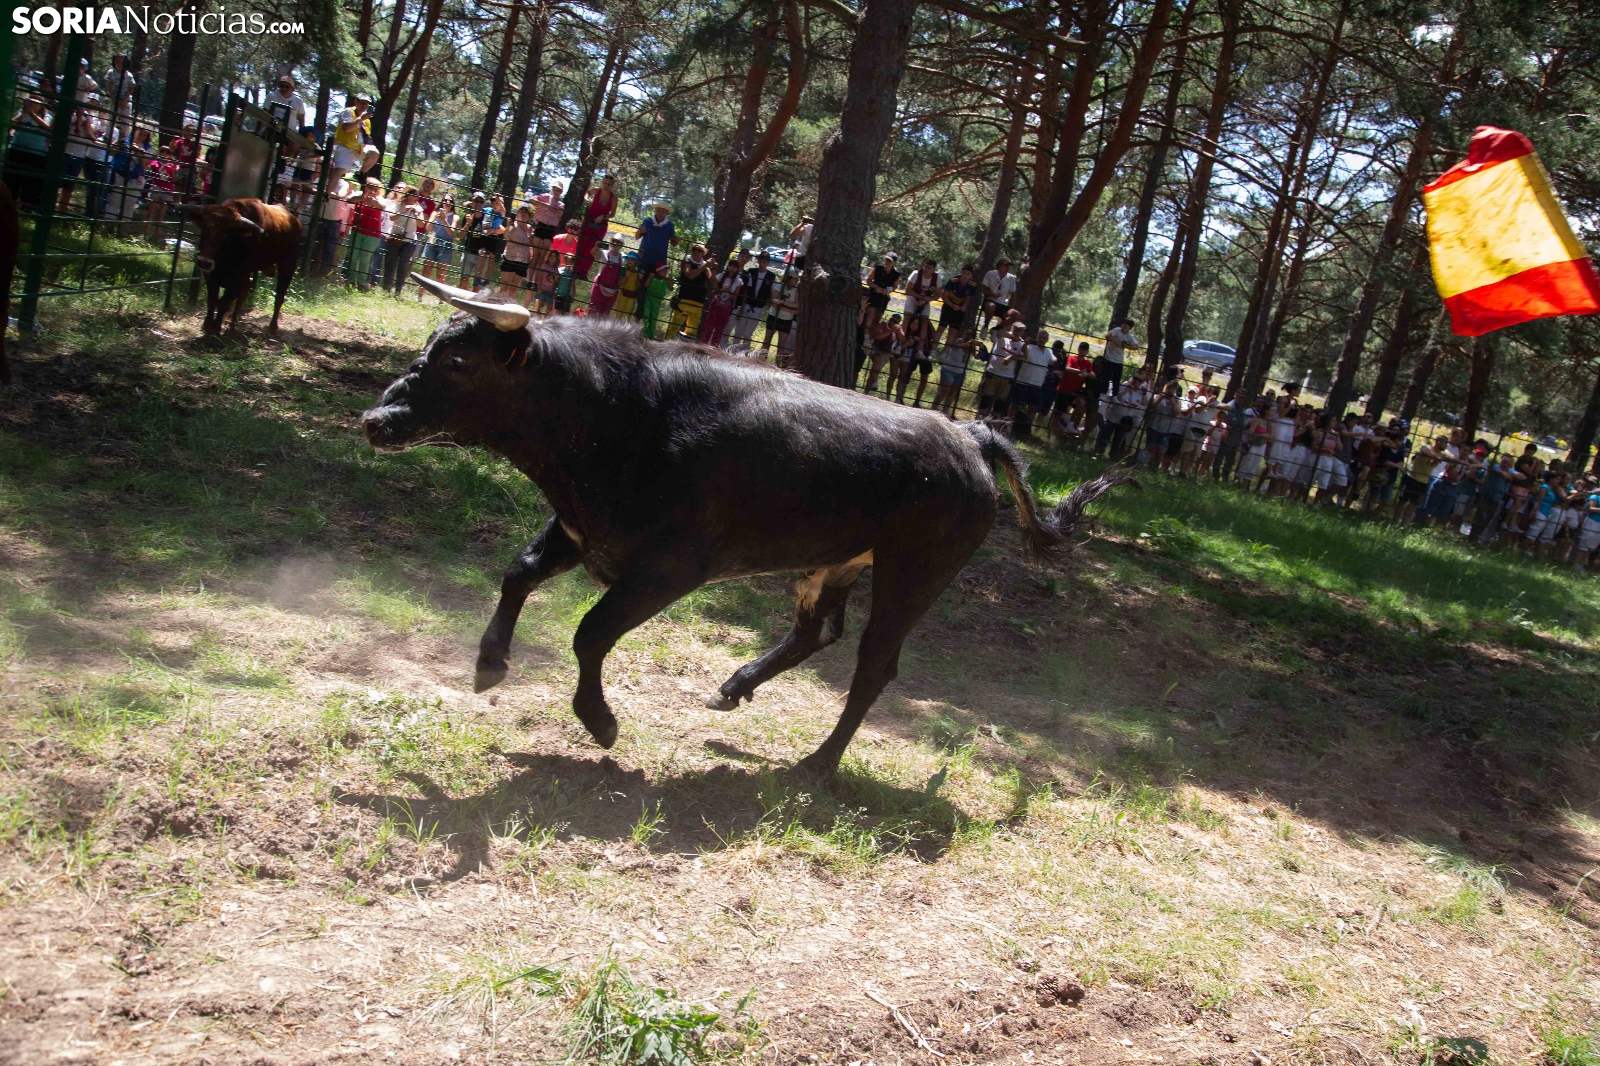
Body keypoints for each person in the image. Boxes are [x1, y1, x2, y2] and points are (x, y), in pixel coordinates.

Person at [5, 97, 53, 207]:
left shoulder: (46, 115)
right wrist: (22, 115)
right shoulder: (21, 112)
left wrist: (32, 115)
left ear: (42, 105)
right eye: (31, 101)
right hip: (16, 150)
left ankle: (27, 209)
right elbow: (11, 124)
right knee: (11, 181)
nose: (33, 104)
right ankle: (8, 206)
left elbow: (47, 127)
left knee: (31, 185)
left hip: (36, 154)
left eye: (36, 102)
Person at [731, 251, 776, 354]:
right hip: (747, 304)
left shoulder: (771, 276)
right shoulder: (751, 271)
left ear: (768, 263)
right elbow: (745, 289)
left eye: (764, 262)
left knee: (748, 333)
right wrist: (742, 305)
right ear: (758, 261)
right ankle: (733, 352)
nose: (762, 264)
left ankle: (743, 354)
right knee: (738, 331)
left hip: (758, 307)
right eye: (761, 261)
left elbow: (771, 292)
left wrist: (771, 305)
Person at [1011, 329, 1054, 437]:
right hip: (1023, 382)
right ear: (1037, 337)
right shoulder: (1030, 347)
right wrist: (1025, 344)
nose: (1042, 340)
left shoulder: (1048, 352)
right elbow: (1024, 351)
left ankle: (1026, 430)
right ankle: (1009, 426)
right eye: (1040, 337)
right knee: (1016, 405)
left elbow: (1054, 361)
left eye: (1044, 338)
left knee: (1033, 408)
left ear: (1047, 340)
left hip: (1037, 385)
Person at [574, 173, 617, 280]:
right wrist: (586, 199)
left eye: (609, 184)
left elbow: (612, 214)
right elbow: (587, 192)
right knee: (582, 246)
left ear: (612, 186)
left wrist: (603, 216)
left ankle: (583, 273)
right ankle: (575, 270)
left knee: (593, 249)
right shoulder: (596, 190)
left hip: (600, 226)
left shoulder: (613, 198)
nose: (606, 186)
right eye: (605, 183)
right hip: (588, 223)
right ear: (602, 182)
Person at [384, 186, 425, 296]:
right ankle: (386, 289)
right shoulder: (398, 205)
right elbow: (392, 218)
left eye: (417, 195)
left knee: (403, 266)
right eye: (414, 195)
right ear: (408, 195)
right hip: (394, 237)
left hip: (409, 240)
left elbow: (421, 224)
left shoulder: (419, 208)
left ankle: (398, 291)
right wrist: (404, 211)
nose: (416, 197)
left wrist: (416, 214)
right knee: (390, 263)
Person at [977, 318, 1022, 416]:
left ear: (1022, 332)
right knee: (986, 399)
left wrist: (1012, 356)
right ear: (1012, 328)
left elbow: (1024, 357)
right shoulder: (1003, 336)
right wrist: (1013, 336)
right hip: (993, 372)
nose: (1017, 332)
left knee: (999, 404)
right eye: (1016, 329)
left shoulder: (1022, 344)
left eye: (1020, 330)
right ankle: (980, 419)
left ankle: (993, 422)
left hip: (1007, 376)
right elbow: (998, 332)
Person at [348, 178, 386, 291]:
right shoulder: (359, 195)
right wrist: (362, 197)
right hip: (356, 231)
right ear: (365, 187)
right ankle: (350, 281)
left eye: (376, 188)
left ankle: (361, 284)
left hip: (372, 235)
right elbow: (349, 200)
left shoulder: (380, 199)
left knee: (365, 259)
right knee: (352, 256)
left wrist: (373, 200)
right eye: (370, 187)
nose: (373, 190)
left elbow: (382, 206)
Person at [669, 245, 713, 340]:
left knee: (691, 332)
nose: (696, 252)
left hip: (698, 302)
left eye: (699, 250)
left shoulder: (705, 265)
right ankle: (665, 346)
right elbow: (690, 275)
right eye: (694, 249)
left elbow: (712, 282)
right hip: (684, 299)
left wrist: (714, 268)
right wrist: (705, 265)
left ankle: (685, 348)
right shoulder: (687, 260)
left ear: (703, 253)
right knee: (674, 328)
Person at [417, 194, 458, 292]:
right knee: (426, 272)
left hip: (446, 245)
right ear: (442, 201)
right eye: (445, 200)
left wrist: (444, 220)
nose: (447, 202)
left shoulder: (455, 216)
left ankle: (442, 298)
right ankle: (419, 296)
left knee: (440, 276)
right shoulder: (435, 212)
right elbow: (428, 228)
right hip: (432, 242)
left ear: (453, 204)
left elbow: (451, 232)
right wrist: (435, 218)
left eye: (450, 201)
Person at [702, 255, 743, 347]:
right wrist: (721, 290)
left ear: (737, 269)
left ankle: (713, 348)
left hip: (726, 308)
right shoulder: (720, 276)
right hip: (715, 304)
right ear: (728, 266)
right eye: (730, 266)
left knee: (719, 330)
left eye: (734, 267)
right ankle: (703, 346)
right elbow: (714, 291)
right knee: (708, 327)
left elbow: (735, 297)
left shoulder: (738, 281)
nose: (732, 268)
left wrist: (729, 291)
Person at [331, 93, 372, 187]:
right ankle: (327, 193)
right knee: (339, 171)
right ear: (356, 101)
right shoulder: (348, 112)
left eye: (366, 104)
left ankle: (360, 173)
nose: (364, 105)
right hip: (344, 147)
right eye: (362, 102)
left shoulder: (367, 121)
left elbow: (366, 137)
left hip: (358, 149)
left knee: (374, 153)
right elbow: (346, 129)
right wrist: (360, 119)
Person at [933, 329, 976, 418]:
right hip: (949, 369)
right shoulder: (959, 341)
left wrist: (980, 347)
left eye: (970, 335)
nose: (967, 336)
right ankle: (933, 409)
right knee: (944, 390)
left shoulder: (972, 347)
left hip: (960, 372)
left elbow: (977, 356)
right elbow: (954, 346)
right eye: (966, 334)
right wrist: (965, 344)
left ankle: (945, 412)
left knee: (953, 393)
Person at [902, 259, 938, 362]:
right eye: (925, 267)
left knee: (925, 321)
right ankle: (899, 343)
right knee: (907, 317)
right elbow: (908, 290)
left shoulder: (937, 278)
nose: (926, 269)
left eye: (929, 268)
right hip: (913, 297)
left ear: (933, 269)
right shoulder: (916, 273)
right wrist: (920, 297)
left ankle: (920, 350)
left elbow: (938, 294)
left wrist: (926, 300)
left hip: (925, 301)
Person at [499, 205, 535, 304]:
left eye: (525, 212)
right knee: (505, 287)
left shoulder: (530, 228)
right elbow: (506, 236)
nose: (523, 214)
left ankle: (508, 309)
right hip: (509, 259)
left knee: (513, 290)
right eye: (521, 211)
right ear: (518, 213)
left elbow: (532, 244)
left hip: (522, 262)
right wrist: (508, 226)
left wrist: (530, 235)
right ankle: (496, 306)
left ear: (529, 215)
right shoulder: (512, 224)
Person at [863, 313, 904, 395]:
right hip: (875, 347)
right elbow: (878, 336)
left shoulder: (898, 330)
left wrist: (899, 333)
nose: (893, 322)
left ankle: (866, 391)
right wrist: (890, 331)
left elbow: (903, 339)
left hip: (886, 352)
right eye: (892, 319)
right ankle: (875, 383)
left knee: (874, 370)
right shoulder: (882, 325)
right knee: (877, 358)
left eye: (896, 321)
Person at [636, 202, 678, 278]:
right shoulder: (647, 221)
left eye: (663, 211)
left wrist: (676, 240)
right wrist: (640, 231)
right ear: (655, 210)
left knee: (655, 282)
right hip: (644, 257)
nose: (660, 213)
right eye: (658, 210)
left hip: (659, 261)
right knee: (640, 280)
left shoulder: (670, 225)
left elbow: (673, 243)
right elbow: (637, 237)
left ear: (666, 213)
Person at [979, 259, 1017, 337]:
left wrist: (1011, 307)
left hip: (1002, 304)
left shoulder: (1011, 278)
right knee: (991, 306)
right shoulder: (990, 274)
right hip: (989, 300)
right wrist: (992, 295)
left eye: (1008, 266)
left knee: (1016, 314)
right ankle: (985, 326)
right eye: (1005, 265)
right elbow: (984, 290)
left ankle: (996, 329)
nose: (1007, 268)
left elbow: (1013, 294)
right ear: (999, 266)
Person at [864, 252, 899, 333]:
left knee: (877, 318)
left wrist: (888, 290)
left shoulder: (896, 274)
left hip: (884, 298)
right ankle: (865, 335)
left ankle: (871, 337)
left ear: (893, 263)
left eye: (890, 261)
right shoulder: (878, 268)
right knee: (870, 315)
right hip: (873, 295)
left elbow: (895, 286)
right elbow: (868, 280)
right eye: (886, 259)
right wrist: (876, 287)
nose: (887, 262)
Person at [530, 180, 564, 263]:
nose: (556, 192)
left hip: (550, 228)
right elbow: (531, 199)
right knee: (535, 254)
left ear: (561, 192)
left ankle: (537, 270)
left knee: (542, 256)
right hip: (540, 225)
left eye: (558, 190)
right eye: (554, 189)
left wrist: (557, 212)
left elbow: (558, 218)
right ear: (552, 189)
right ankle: (530, 271)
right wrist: (545, 205)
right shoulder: (546, 196)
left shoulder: (561, 205)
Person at [1102, 319, 1139, 393]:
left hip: (1119, 360)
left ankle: (1114, 394)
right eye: (1124, 323)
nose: (1125, 325)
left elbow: (1136, 347)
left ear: (1130, 328)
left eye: (1128, 325)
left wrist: (1125, 346)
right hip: (1109, 358)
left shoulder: (1129, 336)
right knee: (1106, 377)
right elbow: (1107, 336)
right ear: (1122, 324)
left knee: (1116, 379)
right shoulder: (1117, 330)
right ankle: (1103, 393)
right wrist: (1116, 342)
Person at [589, 239, 624, 316]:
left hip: (613, 291)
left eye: (618, 242)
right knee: (593, 311)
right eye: (613, 241)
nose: (615, 243)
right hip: (599, 287)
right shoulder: (604, 253)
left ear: (621, 245)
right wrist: (596, 247)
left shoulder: (622, 257)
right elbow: (595, 254)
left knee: (605, 315)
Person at [105, 55, 137, 140]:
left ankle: (123, 139)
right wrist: (113, 98)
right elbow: (109, 85)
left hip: (125, 100)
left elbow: (131, 89)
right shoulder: (111, 72)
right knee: (112, 117)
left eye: (122, 63)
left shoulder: (129, 76)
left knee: (125, 120)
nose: (119, 64)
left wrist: (125, 100)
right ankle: (108, 136)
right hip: (114, 98)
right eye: (117, 62)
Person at [639, 263, 672, 339]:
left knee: (653, 318)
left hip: (657, 301)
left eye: (666, 272)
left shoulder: (665, 280)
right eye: (664, 271)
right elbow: (645, 285)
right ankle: (643, 332)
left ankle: (651, 336)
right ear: (658, 271)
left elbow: (671, 289)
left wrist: (670, 282)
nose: (665, 273)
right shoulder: (652, 277)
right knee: (646, 314)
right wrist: (649, 278)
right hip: (649, 298)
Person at [532, 248, 561, 316]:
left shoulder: (556, 270)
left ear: (557, 259)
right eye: (551, 255)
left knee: (549, 308)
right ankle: (536, 318)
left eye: (554, 256)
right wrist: (539, 288)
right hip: (542, 289)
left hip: (550, 291)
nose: (552, 257)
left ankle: (545, 320)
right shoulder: (544, 266)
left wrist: (554, 291)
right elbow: (539, 278)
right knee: (540, 305)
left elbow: (556, 283)